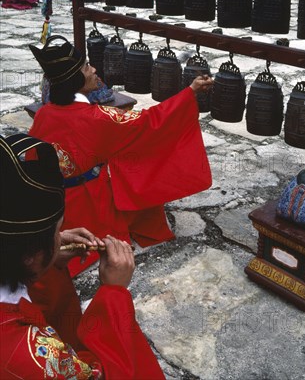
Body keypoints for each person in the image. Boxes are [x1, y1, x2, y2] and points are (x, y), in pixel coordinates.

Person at [29, 35, 213, 276]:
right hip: (90, 203)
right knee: (133, 168)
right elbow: (151, 122)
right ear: (75, 79)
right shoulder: (98, 117)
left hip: (54, 204)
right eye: (86, 67)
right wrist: (190, 92)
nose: (94, 69)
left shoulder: (45, 113)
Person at [0, 133, 165, 379]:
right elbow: (102, 373)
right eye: (57, 231)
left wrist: (48, 257)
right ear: (29, 255)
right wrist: (113, 294)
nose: (61, 237)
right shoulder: (30, 358)